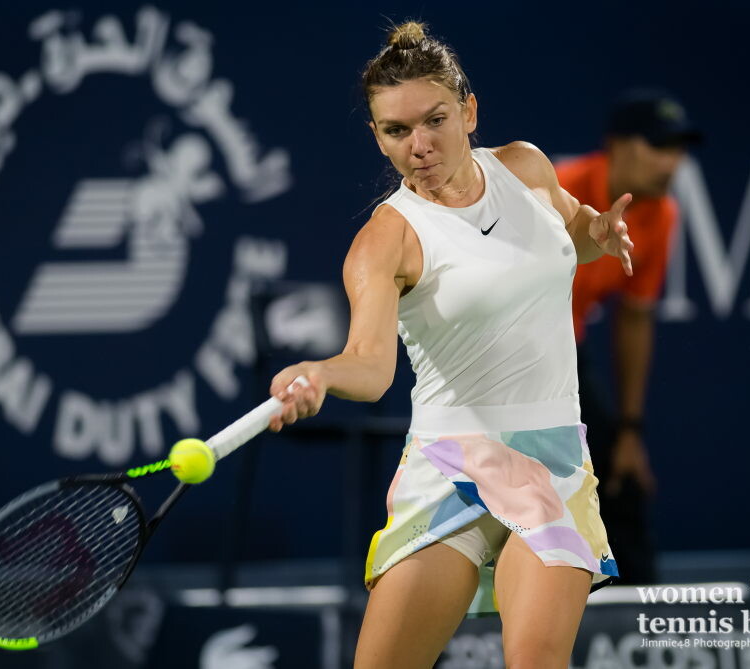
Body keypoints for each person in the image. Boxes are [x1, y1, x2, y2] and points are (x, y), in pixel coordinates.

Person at [268, 22, 633, 668]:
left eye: (435, 120)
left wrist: (596, 234)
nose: (420, 145)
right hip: (449, 466)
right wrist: (321, 374)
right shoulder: (386, 240)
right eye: (396, 130)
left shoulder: (524, 167)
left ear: (468, 111)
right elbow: (370, 366)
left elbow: (567, 228)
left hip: (552, 460)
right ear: (377, 136)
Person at [555, 91, 700, 585]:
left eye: (677, 149)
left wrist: (630, 431)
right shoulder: (560, 189)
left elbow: (634, 318)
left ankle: (641, 621)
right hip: (502, 352)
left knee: (621, 476)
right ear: (616, 146)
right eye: (658, 146)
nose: (670, 163)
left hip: (566, 352)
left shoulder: (661, 214)